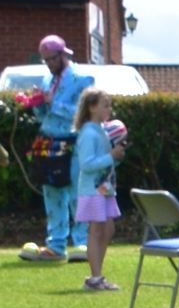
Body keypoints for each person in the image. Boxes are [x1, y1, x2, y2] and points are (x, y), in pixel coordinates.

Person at [18, 34, 87, 264]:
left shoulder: (83, 79)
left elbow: (83, 113)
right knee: (52, 192)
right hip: (49, 141)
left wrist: (53, 103)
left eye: (51, 59)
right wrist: (37, 104)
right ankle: (56, 245)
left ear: (62, 55)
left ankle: (82, 242)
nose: (48, 64)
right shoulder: (47, 80)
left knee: (77, 193)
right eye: (44, 60)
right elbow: (44, 115)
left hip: (73, 141)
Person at [70, 86, 122, 290]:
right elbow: (87, 164)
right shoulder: (88, 134)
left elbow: (104, 161)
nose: (108, 110)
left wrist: (115, 158)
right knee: (96, 230)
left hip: (105, 188)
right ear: (92, 107)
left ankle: (98, 275)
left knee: (108, 228)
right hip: (92, 189)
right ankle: (95, 278)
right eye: (105, 105)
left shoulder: (101, 131)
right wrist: (111, 156)